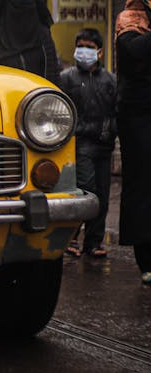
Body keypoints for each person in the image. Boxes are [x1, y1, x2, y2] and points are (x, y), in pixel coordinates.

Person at [60, 28, 116, 259]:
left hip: (104, 145)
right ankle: (71, 238)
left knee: (102, 196)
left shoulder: (110, 80)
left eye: (90, 48)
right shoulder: (67, 78)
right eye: (81, 47)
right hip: (79, 144)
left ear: (100, 52)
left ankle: (94, 242)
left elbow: (116, 111)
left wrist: (111, 131)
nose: (84, 52)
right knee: (85, 191)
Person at [114, 0, 151, 285]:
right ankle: (145, 257)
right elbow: (134, 55)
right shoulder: (129, 22)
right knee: (142, 184)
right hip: (138, 115)